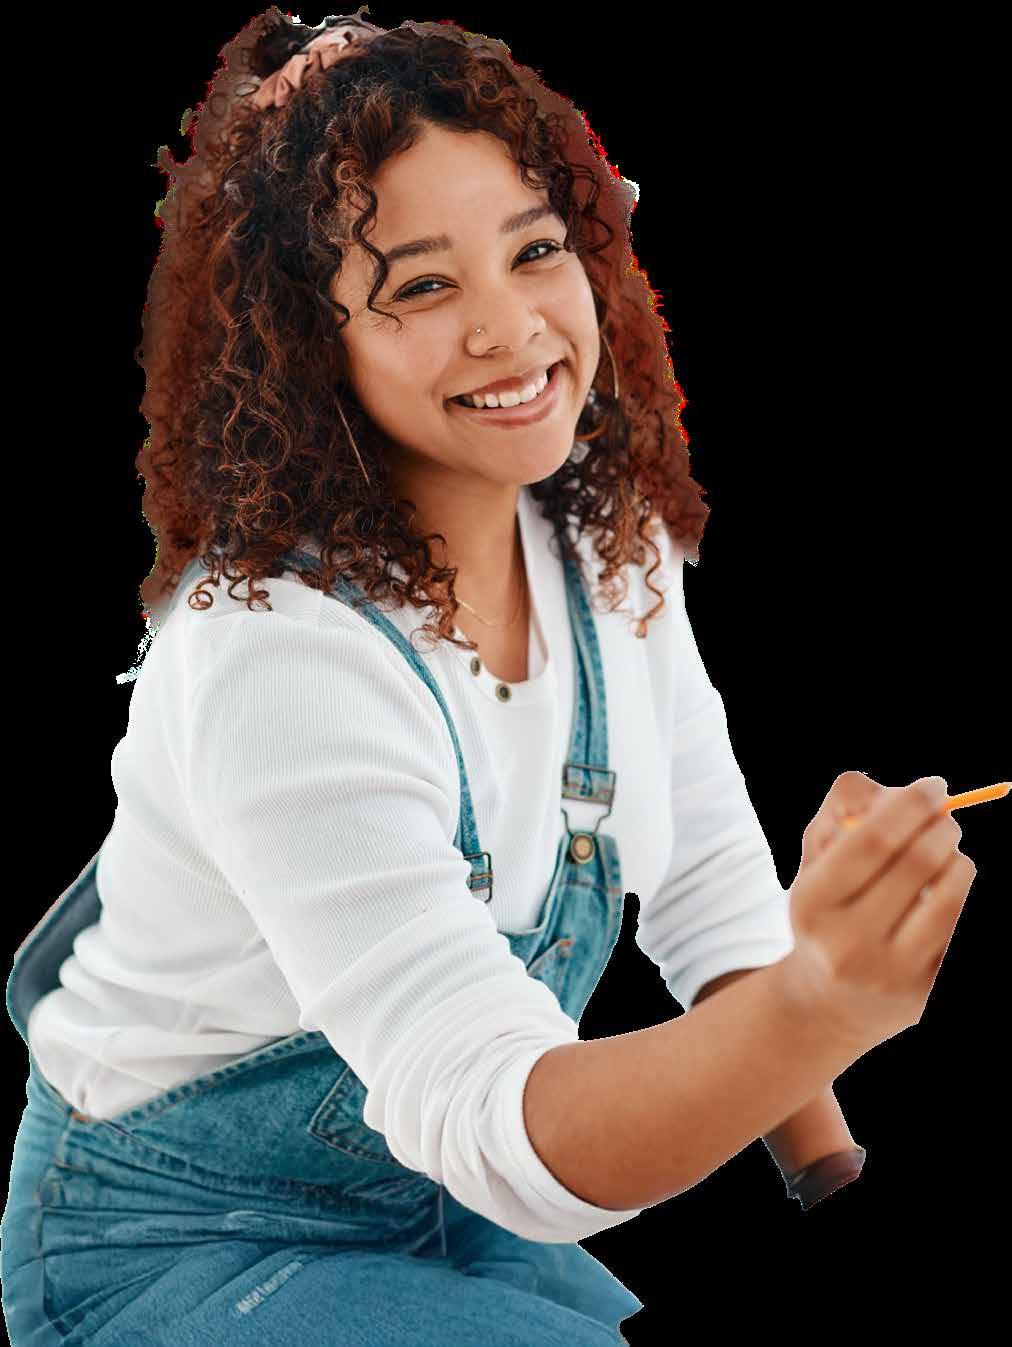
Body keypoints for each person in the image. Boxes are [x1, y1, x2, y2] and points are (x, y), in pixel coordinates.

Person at [4, 11, 934, 1345]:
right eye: (424, 286)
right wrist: (818, 1006)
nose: (512, 327)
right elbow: (494, 1123)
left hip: (429, 1202)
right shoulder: (276, 654)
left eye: (535, 250)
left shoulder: (605, 547)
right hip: (175, 1242)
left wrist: (832, 1180)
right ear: (308, 342)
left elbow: (712, 888)